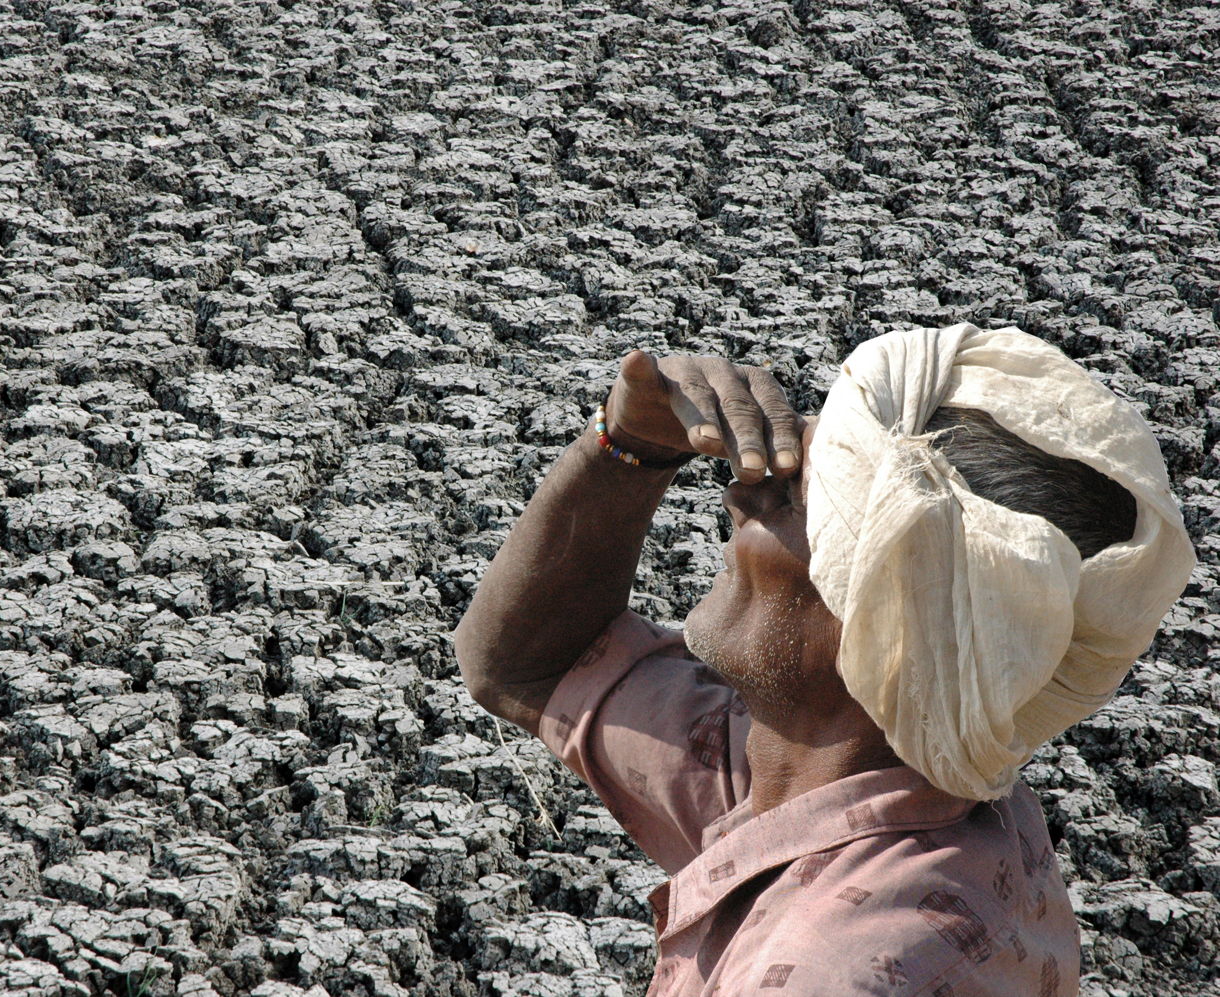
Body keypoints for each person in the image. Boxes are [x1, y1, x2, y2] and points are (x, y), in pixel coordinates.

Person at [454, 323, 1195, 996]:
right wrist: (628, 445)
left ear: (882, 617)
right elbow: (530, 667)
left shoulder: (834, 969)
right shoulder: (819, 772)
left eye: (792, 498)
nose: (739, 496)